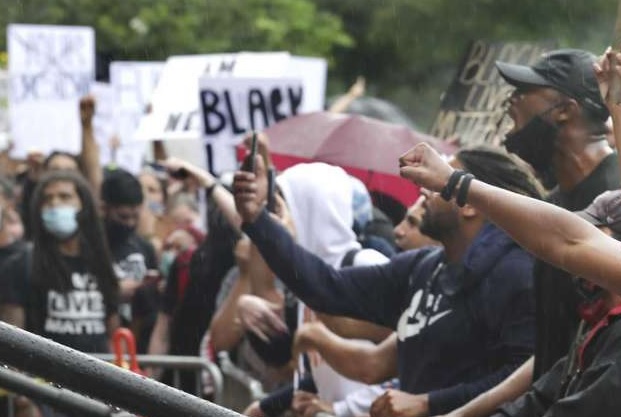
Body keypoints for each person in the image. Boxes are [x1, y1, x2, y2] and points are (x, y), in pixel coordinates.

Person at [233, 145, 543, 417]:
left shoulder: (514, 272)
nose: (423, 190)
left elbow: (524, 377)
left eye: (441, 182)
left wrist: (429, 404)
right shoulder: (422, 268)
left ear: (470, 202)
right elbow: (327, 288)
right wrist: (258, 220)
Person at [435, 47, 621, 417]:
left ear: (565, 109)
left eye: (522, 92)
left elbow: (569, 240)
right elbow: (561, 355)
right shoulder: (551, 205)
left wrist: (457, 183)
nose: (510, 105)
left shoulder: (610, 197)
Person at [399, 144, 621, 416]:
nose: (572, 263)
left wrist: (453, 181)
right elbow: (537, 399)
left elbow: (567, 241)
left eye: (597, 237)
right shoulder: (594, 330)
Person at [0, 170, 120, 352]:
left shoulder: (100, 262)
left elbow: (113, 329)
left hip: (98, 375)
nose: (55, 204)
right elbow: (13, 340)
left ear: (83, 205)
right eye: (47, 199)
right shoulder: (21, 265)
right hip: (43, 376)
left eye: (65, 197)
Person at [101, 168, 158, 353]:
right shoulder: (92, 247)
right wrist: (113, 291)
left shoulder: (144, 248)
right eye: (123, 217)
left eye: (136, 217)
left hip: (138, 342)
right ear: (105, 209)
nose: (130, 224)